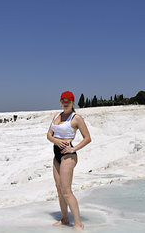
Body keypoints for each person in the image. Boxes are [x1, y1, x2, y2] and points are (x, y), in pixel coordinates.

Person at [47, 91, 91, 230]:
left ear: (73, 102)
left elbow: (87, 138)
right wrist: (55, 140)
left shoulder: (76, 118)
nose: (65, 103)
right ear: (60, 102)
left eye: (68, 101)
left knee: (66, 190)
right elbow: (49, 135)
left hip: (68, 155)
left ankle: (78, 223)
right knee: (59, 188)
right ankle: (65, 219)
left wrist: (73, 149)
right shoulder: (56, 116)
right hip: (57, 155)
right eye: (63, 100)